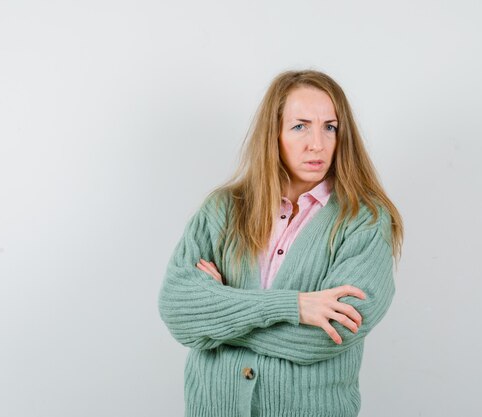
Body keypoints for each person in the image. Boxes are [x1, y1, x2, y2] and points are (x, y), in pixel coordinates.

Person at [158, 69, 403, 417]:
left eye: (329, 127)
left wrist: (218, 317)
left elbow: (331, 333)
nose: (317, 143)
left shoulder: (364, 220)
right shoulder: (224, 209)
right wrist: (295, 307)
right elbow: (178, 310)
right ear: (273, 133)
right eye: (300, 125)